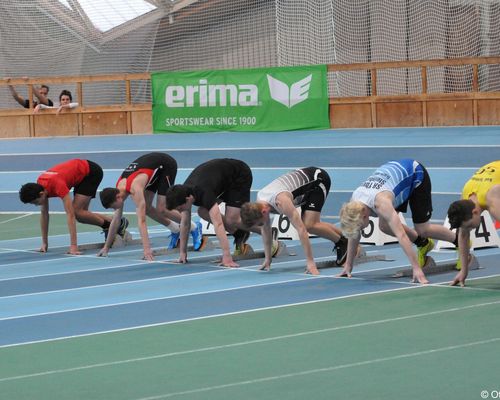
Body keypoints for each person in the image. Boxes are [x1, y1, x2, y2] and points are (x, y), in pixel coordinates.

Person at [339, 159, 457, 284]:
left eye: (359, 227)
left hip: (416, 175)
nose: (359, 230)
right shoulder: (354, 201)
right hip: (394, 179)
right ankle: (423, 243)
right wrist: (348, 266)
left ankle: (459, 240)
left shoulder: (382, 203)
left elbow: (401, 235)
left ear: (364, 215)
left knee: (423, 229)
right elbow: (354, 234)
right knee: (384, 226)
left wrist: (416, 268)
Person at [240, 167, 348, 275]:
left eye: (260, 223)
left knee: (309, 225)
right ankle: (346, 239)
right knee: (311, 223)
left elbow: (301, 230)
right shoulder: (260, 203)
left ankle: (342, 242)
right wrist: (268, 259)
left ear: (264, 211)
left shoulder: (281, 201)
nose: (261, 225)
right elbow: (266, 231)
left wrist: (310, 263)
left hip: (318, 181)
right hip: (303, 185)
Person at [98, 152, 203, 261]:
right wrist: (106, 248)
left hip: (165, 165)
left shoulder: (135, 189)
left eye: (114, 207)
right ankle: (176, 229)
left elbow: (142, 222)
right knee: (147, 208)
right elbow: (116, 221)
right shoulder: (118, 190)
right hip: (151, 171)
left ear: (118, 197)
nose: (116, 209)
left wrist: (147, 250)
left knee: (162, 209)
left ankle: (194, 227)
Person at [19, 159, 122, 255]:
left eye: (35, 202)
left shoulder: (58, 185)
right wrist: (44, 243)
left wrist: (73, 246)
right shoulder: (40, 186)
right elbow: (44, 214)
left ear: (41, 194)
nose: (36, 205)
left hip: (91, 172)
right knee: (82, 214)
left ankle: (110, 226)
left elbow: (70, 214)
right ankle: (116, 222)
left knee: (77, 212)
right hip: (79, 174)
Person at [165, 158, 253, 268]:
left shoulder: (203, 193)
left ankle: (265, 230)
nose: (179, 211)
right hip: (221, 180)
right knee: (202, 212)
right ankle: (239, 233)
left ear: (188, 199)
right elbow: (185, 224)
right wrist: (183, 254)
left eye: (180, 208)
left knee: (232, 220)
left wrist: (226, 256)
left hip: (239, 175)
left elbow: (218, 224)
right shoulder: (183, 193)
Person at [447, 160, 500, 287]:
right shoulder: (465, 199)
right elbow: (463, 235)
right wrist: (464, 271)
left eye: (470, 225)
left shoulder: (493, 201)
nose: (470, 229)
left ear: (476, 212)